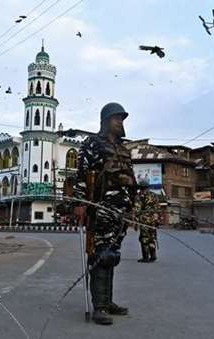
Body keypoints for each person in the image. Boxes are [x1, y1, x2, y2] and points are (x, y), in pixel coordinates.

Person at [74, 102, 136, 325]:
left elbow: (132, 179)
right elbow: (81, 174)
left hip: (121, 210)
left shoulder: (124, 148)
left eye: (122, 119)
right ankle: (99, 307)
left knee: (112, 256)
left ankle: (107, 301)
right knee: (100, 255)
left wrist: (132, 207)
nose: (120, 122)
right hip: (100, 208)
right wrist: (80, 203)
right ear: (105, 120)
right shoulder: (92, 144)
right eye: (116, 118)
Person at [134, 184, 160, 263]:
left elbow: (137, 209)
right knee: (151, 237)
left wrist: (136, 222)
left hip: (144, 220)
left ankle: (145, 257)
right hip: (154, 220)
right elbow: (158, 207)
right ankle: (153, 255)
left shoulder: (139, 196)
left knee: (144, 238)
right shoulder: (154, 195)